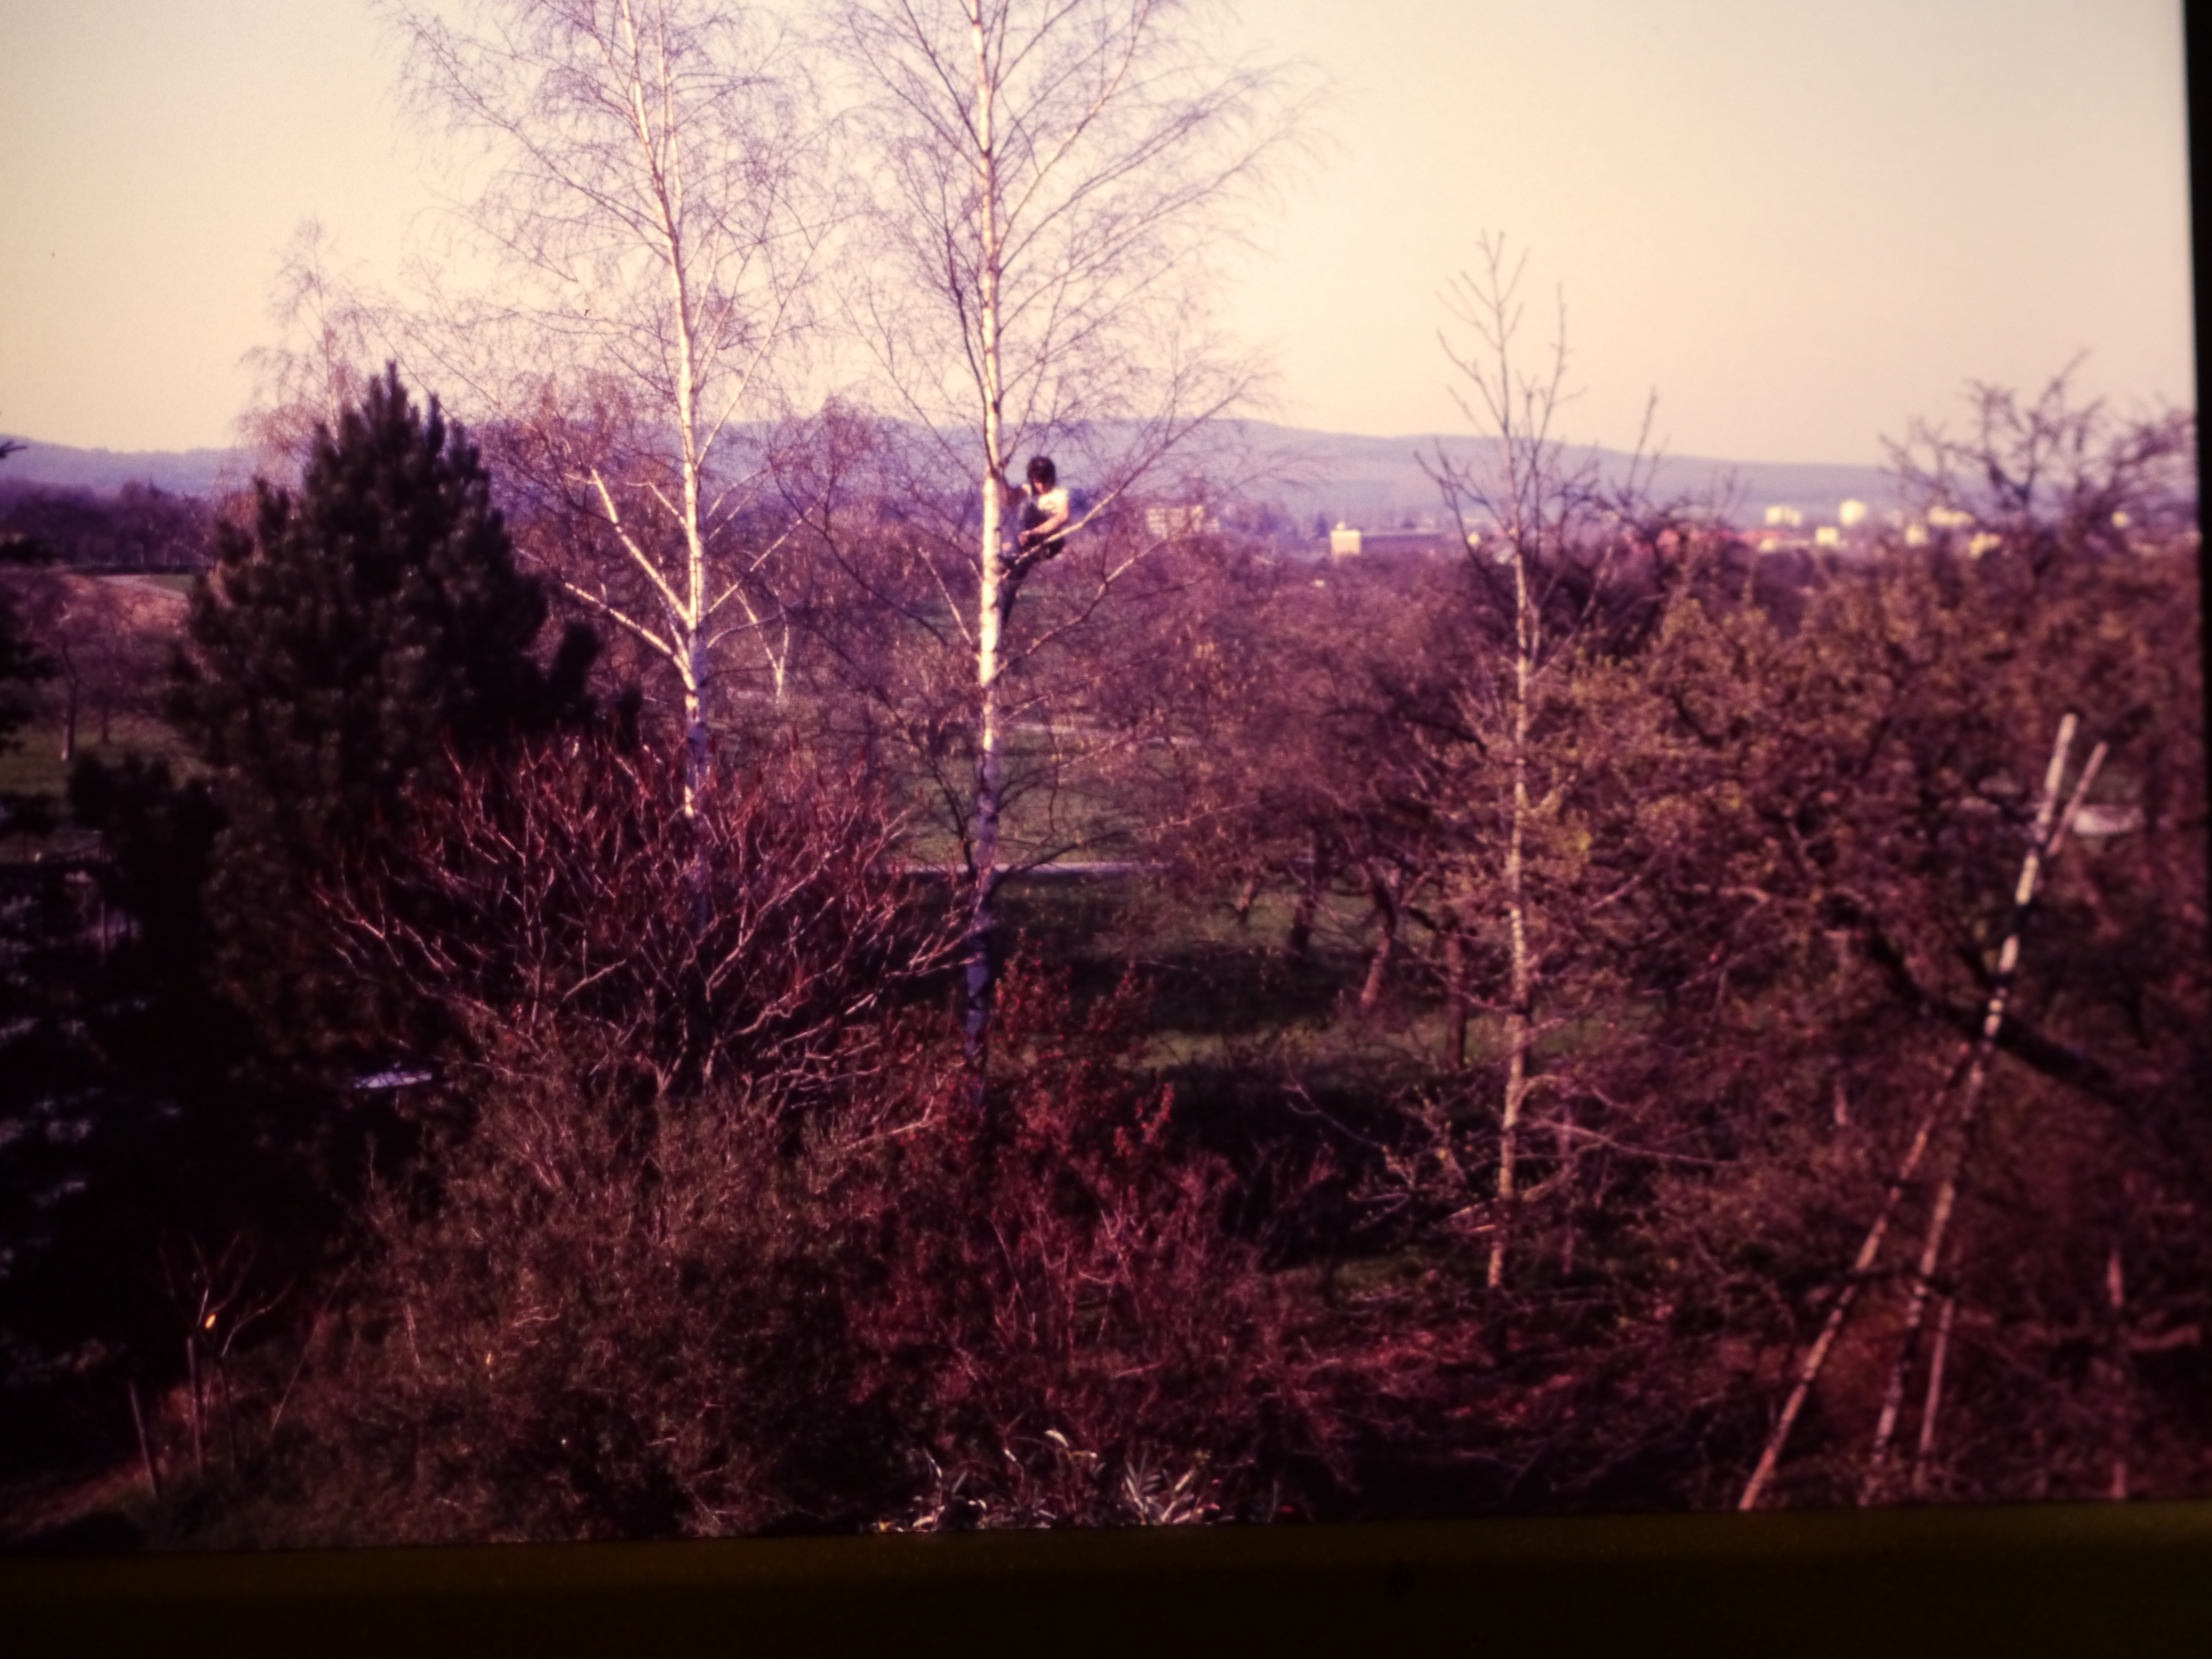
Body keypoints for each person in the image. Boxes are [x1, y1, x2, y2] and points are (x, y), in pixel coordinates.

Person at [1014, 455, 1070, 563]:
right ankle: (1017, 555)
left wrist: (1032, 532)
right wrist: (1000, 476)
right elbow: (1009, 500)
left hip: (1051, 540)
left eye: (1045, 481)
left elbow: (1063, 516)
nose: (1041, 486)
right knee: (1023, 508)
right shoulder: (1027, 491)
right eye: (1037, 482)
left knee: (1029, 508)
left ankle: (1031, 552)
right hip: (1029, 540)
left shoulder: (1059, 494)